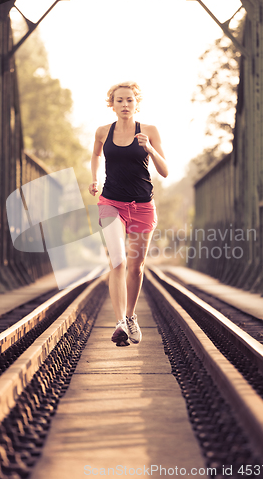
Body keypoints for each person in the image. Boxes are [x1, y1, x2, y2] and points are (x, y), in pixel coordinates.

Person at [89, 81, 168, 346]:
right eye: (119, 100)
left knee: (135, 267)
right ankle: (120, 322)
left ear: (137, 103)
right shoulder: (102, 131)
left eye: (129, 100)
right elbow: (96, 156)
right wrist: (94, 179)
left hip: (143, 205)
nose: (125, 105)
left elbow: (165, 170)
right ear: (111, 104)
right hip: (111, 202)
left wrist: (150, 148)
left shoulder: (149, 131)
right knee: (118, 261)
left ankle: (131, 316)